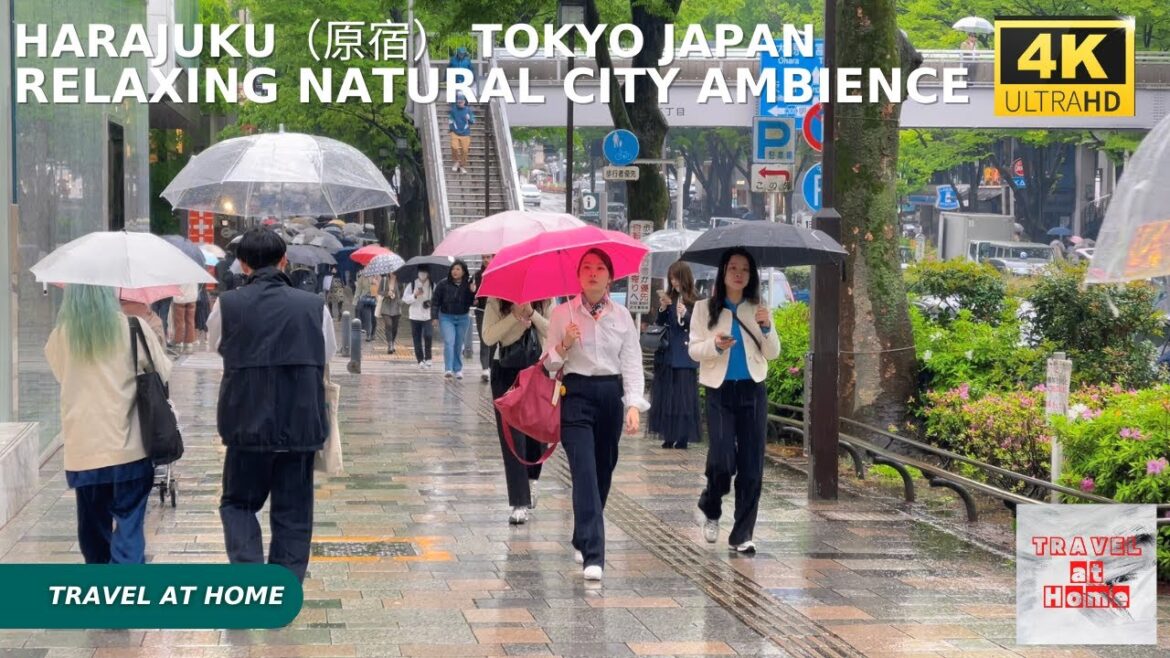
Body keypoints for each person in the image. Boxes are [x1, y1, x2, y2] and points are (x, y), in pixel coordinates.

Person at [206, 228, 337, 583]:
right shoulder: (314, 307)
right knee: (293, 511)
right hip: (300, 424)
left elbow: (216, 346)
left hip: (245, 422)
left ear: (243, 265)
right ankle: (283, 588)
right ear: (284, 261)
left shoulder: (227, 305)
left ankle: (249, 581)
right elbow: (326, 353)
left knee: (238, 503)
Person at [45, 284, 172, 564]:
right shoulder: (133, 328)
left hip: (84, 450)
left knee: (92, 529)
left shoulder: (61, 336)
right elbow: (162, 371)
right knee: (129, 525)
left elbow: (60, 374)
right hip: (130, 446)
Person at [545, 249, 649, 581]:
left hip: (609, 397)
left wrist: (632, 404)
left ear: (609, 276)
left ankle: (583, 533)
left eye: (599, 268)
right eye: (587, 268)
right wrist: (564, 345)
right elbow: (549, 366)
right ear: (578, 275)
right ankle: (594, 553)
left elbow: (632, 362)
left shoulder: (621, 317)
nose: (593, 273)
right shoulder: (562, 313)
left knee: (603, 471)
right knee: (585, 472)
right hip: (574, 396)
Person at [688, 248, 781, 555]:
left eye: (744, 269)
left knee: (752, 466)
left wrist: (766, 328)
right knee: (722, 460)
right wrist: (714, 345)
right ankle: (710, 504)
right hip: (720, 391)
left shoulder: (759, 307)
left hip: (753, 390)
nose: (739, 274)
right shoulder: (705, 308)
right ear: (723, 272)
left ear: (751, 275)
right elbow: (693, 350)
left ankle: (742, 534)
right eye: (733, 268)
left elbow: (772, 353)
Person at [482, 297, 549, 525]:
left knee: (538, 434)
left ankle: (532, 479)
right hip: (506, 372)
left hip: (537, 371)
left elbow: (552, 331)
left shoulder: (546, 299)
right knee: (511, 438)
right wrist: (513, 317)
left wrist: (531, 313)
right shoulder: (496, 301)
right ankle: (519, 502)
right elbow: (488, 336)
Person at [649, 261, 701, 450]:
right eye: (671, 277)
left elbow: (699, 326)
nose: (674, 281)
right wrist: (663, 308)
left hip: (685, 354)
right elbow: (660, 323)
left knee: (683, 397)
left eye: (676, 277)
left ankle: (683, 435)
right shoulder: (670, 297)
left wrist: (686, 314)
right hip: (668, 353)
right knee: (666, 396)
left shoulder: (695, 300)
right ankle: (668, 434)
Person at [432, 260, 476, 379]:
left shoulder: (468, 284)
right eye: (453, 269)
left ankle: (458, 369)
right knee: (449, 342)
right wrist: (434, 317)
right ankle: (448, 368)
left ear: (463, 272)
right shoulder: (443, 284)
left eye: (458, 269)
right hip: (446, 317)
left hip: (463, 317)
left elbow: (472, 302)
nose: (455, 271)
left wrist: (473, 292)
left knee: (458, 344)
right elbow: (435, 301)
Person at [402, 268, 435, 369]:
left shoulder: (432, 284)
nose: (423, 274)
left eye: (424, 272)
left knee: (428, 335)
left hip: (428, 315)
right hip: (415, 315)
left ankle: (428, 357)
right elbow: (405, 299)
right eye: (421, 272)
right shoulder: (412, 284)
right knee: (417, 338)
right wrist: (414, 295)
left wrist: (431, 302)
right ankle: (420, 359)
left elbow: (437, 298)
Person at [448, 97, 475, 174]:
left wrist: (469, 118)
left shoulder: (468, 110)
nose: (459, 104)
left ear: (464, 102)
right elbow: (450, 120)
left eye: (460, 102)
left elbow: (473, 121)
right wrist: (451, 128)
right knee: (454, 146)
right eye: (458, 102)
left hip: (465, 133)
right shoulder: (453, 110)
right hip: (455, 132)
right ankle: (456, 161)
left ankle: (462, 165)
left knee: (465, 150)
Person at [380, 273, 403, 354]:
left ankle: (392, 342)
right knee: (388, 324)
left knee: (394, 327)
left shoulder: (400, 280)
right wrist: (387, 293)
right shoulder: (384, 279)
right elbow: (380, 291)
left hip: (396, 307)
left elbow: (402, 293)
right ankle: (389, 344)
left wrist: (400, 300)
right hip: (386, 306)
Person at [357, 274, 379, 342]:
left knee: (373, 318)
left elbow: (379, 290)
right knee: (367, 317)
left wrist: (375, 284)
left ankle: (373, 333)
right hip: (365, 300)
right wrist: (356, 299)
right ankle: (368, 335)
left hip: (374, 300)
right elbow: (358, 289)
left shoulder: (377, 276)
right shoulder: (362, 277)